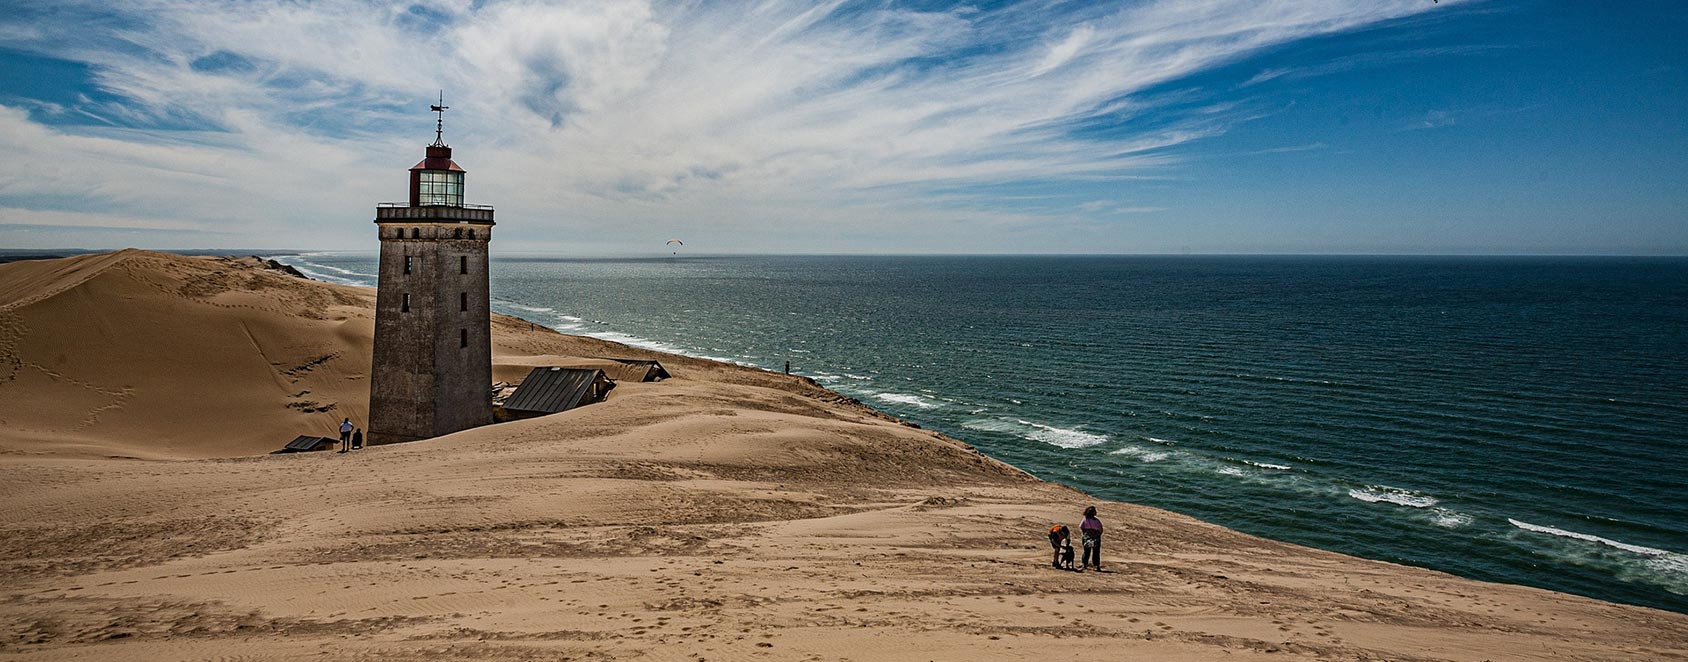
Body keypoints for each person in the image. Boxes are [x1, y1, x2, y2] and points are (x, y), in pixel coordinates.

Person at [1080, 505, 1103, 571]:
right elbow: (1101, 529)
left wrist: (1086, 533)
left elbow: (1081, 527)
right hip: (1096, 537)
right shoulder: (1096, 521)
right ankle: (1096, 565)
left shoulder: (1085, 519)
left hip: (1086, 537)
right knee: (1096, 552)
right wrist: (1098, 535)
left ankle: (1084, 564)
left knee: (1086, 551)